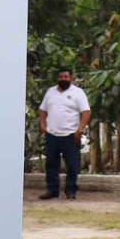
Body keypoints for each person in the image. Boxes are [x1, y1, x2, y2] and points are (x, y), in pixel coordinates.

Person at [38, 68, 91, 200]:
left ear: (71, 78)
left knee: (72, 165)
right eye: (61, 77)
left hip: (71, 135)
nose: (63, 79)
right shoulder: (50, 92)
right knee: (51, 164)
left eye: (66, 77)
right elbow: (43, 110)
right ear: (58, 78)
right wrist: (43, 125)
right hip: (52, 134)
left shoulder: (78, 93)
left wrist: (80, 130)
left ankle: (71, 191)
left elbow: (86, 112)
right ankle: (52, 190)